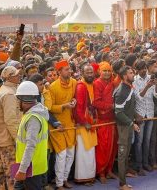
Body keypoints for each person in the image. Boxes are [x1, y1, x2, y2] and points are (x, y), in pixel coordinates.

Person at [13, 81, 49, 189]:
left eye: (18, 99)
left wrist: (22, 170)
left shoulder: (33, 118)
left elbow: (30, 146)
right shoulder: (34, 113)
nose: (17, 102)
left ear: (24, 99)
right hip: (30, 166)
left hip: (30, 169)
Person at [48, 60, 77, 190]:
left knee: (71, 153)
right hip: (57, 126)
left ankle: (65, 179)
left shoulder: (74, 83)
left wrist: (74, 100)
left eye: (69, 68)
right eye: (66, 69)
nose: (69, 71)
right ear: (59, 72)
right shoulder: (52, 87)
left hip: (70, 123)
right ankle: (59, 184)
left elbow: (76, 97)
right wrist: (64, 106)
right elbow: (49, 108)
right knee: (62, 155)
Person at [0, 66, 22, 190]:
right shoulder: (9, 94)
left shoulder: (3, 90)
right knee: (12, 175)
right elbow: (10, 120)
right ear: (9, 77)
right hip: (9, 140)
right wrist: (18, 139)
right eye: (16, 75)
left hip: (2, 138)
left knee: (0, 173)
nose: (19, 76)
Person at [114, 66, 140, 190]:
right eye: (130, 73)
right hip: (124, 127)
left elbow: (128, 108)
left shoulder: (128, 88)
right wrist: (131, 123)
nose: (133, 74)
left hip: (128, 125)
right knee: (122, 155)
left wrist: (135, 115)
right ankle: (122, 184)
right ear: (124, 76)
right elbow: (118, 112)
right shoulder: (122, 91)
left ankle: (124, 180)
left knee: (126, 154)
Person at [132, 60, 157, 175]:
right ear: (137, 70)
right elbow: (138, 97)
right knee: (139, 141)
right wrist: (147, 87)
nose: (143, 70)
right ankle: (138, 166)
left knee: (147, 140)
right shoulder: (134, 80)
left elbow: (156, 95)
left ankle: (145, 163)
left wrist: (156, 85)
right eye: (141, 68)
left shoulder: (150, 78)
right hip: (140, 114)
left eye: (144, 68)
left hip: (150, 113)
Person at [93, 62, 118, 184]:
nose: (107, 73)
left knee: (113, 147)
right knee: (103, 148)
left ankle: (109, 170)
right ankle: (101, 172)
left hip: (113, 119)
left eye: (109, 71)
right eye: (105, 71)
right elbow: (96, 102)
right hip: (103, 120)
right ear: (99, 72)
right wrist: (110, 106)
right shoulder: (97, 83)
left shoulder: (113, 82)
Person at [73, 64, 97, 185]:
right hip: (83, 125)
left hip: (89, 123)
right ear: (82, 73)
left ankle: (89, 177)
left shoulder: (89, 85)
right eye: (87, 72)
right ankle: (83, 179)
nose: (90, 74)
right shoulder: (81, 86)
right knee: (84, 152)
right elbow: (78, 109)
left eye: (91, 72)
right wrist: (84, 122)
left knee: (89, 151)